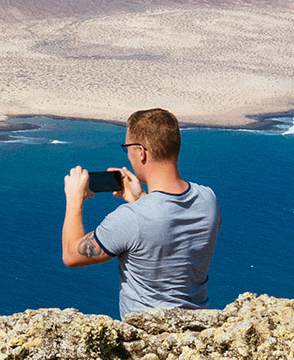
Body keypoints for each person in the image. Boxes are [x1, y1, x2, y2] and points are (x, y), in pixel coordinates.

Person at [60, 107, 221, 318]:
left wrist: (74, 200)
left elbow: (72, 255)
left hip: (147, 336)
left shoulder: (132, 218)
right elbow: (165, 226)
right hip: (197, 329)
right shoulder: (208, 199)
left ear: (141, 152)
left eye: (126, 147)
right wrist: (140, 199)